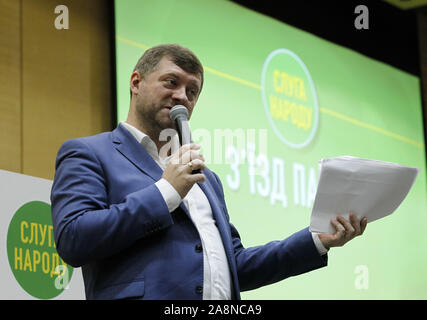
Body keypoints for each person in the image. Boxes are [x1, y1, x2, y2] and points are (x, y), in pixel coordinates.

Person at [50, 44, 367, 300]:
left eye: (192, 91)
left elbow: (236, 266)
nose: (182, 97)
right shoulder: (90, 153)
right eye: (172, 82)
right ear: (136, 82)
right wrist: (166, 192)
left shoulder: (206, 179)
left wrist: (316, 241)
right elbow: (73, 239)